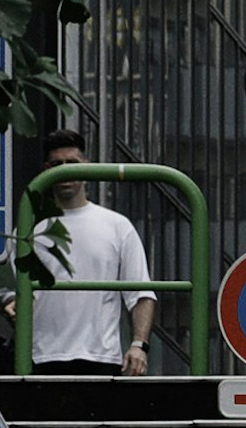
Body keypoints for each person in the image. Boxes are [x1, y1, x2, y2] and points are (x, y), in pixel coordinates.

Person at [23, 146, 159, 374]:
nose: (65, 170)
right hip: (41, 356)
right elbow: (11, 293)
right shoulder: (29, 228)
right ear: (46, 170)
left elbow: (141, 294)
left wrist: (139, 346)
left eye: (72, 162)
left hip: (101, 357)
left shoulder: (117, 226)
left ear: (86, 165)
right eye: (57, 164)